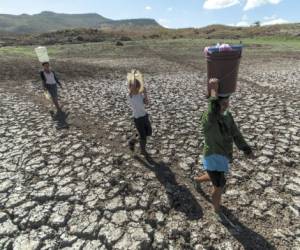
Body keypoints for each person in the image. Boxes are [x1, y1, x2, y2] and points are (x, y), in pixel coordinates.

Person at [194, 78, 254, 222]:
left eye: (227, 103)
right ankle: (216, 210)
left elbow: (236, 133)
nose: (226, 106)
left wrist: (246, 149)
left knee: (213, 176)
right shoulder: (209, 118)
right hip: (213, 155)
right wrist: (214, 90)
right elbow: (212, 108)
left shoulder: (227, 116)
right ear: (215, 104)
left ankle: (196, 180)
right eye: (223, 103)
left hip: (223, 155)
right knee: (219, 185)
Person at [128, 76, 152, 156]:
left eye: (137, 86)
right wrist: (133, 80)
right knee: (143, 137)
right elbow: (131, 89)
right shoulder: (130, 96)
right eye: (133, 86)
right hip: (138, 119)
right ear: (130, 87)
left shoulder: (140, 95)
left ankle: (132, 140)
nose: (135, 88)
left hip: (145, 116)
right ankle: (143, 151)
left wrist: (145, 93)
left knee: (148, 132)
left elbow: (146, 102)